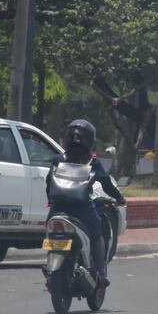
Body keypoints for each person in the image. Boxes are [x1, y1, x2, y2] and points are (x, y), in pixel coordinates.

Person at [46, 119, 126, 288]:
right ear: (90, 141)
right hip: (82, 210)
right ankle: (100, 274)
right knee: (97, 235)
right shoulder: (92, 162)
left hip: (57, 210)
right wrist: (119, 198)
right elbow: (107, 184)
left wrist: (50, 201)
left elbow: (49, 184)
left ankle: (50, 270)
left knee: (51, 235)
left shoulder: (57, 160)